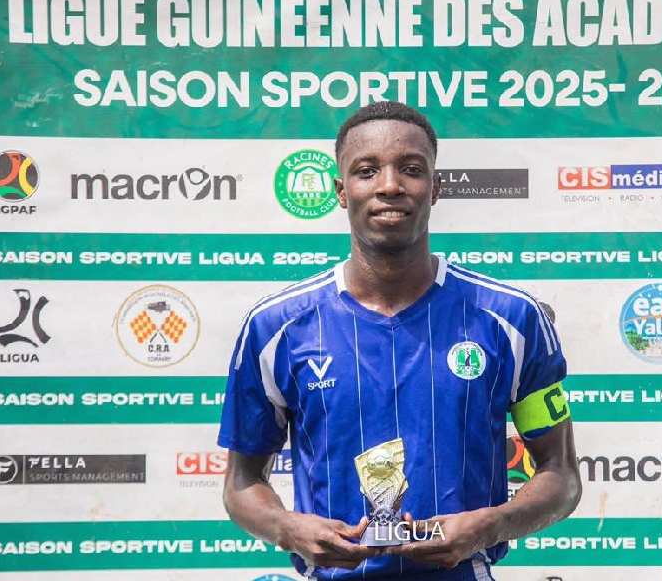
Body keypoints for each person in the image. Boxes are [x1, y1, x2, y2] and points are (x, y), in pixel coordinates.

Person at [218, 101, 581, 580]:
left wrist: (488, 526)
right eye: (366, 171)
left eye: (411, 169)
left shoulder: (512, 319)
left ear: (436, 187)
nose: (389, 185)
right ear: (341, 191)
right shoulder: (276, 327)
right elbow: (242, 483)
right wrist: (290, 529)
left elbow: (561, 476)